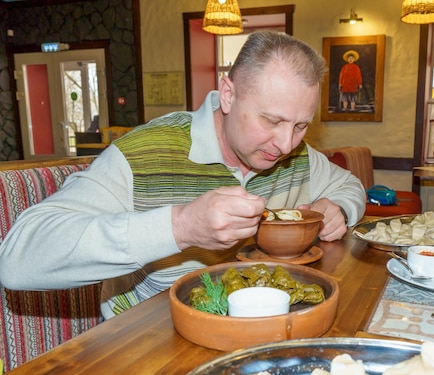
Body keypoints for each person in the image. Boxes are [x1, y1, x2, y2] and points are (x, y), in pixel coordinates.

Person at [0, 31, 366, 319]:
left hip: (260, 329)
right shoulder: (143, 153)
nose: (286, 143)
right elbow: (17, 260)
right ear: (228, 94)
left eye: (301, 125)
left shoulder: (296, 155)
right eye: (271, 121)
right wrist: (180, 227)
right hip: (144, 346)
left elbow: (349, 185)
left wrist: (338, 208)